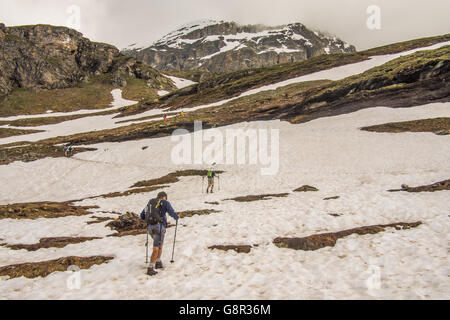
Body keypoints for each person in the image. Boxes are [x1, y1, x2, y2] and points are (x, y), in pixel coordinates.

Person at [142, 191, 178, 276]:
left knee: (159, 243)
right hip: (159, 227)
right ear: (164, 197)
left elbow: (142, 215)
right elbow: (171, 212)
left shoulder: (150, 202)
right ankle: (151, 267)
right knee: (156, 247)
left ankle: (158, 261)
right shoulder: (165, 202)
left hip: (150, 227)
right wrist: (177, 217)